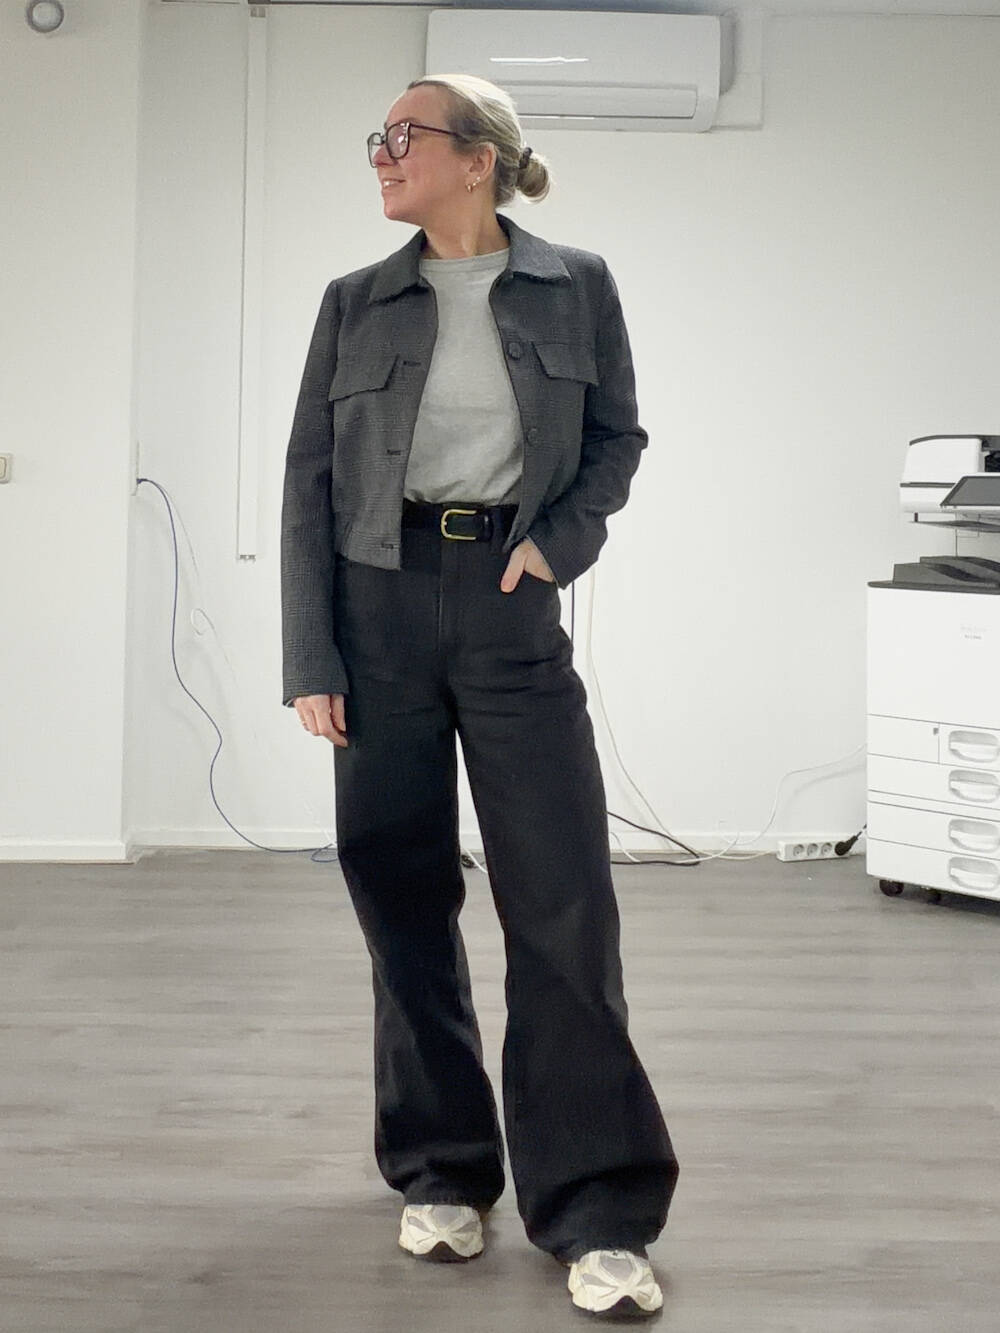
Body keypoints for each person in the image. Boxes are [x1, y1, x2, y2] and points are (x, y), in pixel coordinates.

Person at [280, 72, 679, 1318]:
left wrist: (559, 544)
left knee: (563, 903)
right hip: (377, 610)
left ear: (478, 158)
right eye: (378, 136)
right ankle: (443, 1168)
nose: (382, 153)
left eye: (405, 135)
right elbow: (307, 481)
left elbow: (616, 439)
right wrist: (311, 656)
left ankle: (598, 1208)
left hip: (510, 602)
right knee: (402, 895)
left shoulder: (577, 284)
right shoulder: (355, 300)